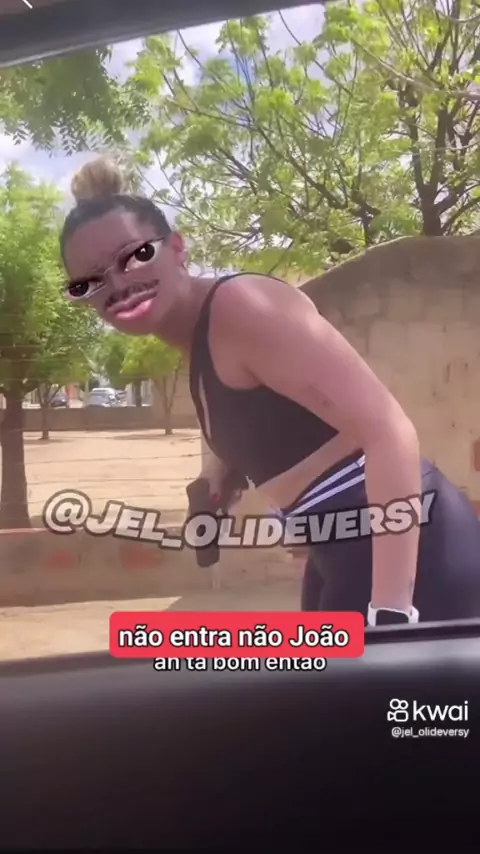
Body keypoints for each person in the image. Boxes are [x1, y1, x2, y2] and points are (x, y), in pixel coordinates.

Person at [60, 157, 480, 626]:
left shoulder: (243, 308)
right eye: (91, 280)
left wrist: (392, 612)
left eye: (135, 256)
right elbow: (278, 428)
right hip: (338, 553)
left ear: (177, 247)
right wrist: (221, 479)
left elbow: (390, 433)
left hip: (413, 560)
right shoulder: (199, 342)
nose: (118, 284)